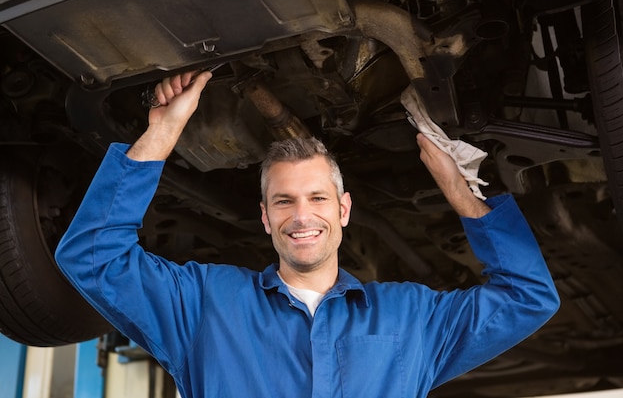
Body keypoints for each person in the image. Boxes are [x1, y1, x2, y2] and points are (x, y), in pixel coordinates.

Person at [55, 70, 560, 398]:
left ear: (343, 210)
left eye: (317, 198)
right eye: (284, 201)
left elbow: (528, 298)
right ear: (265, 216)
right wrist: (163, 131)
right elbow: (93, 258)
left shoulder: (413, 320)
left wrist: (460, 194)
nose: (302, 215)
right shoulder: (203, 306)